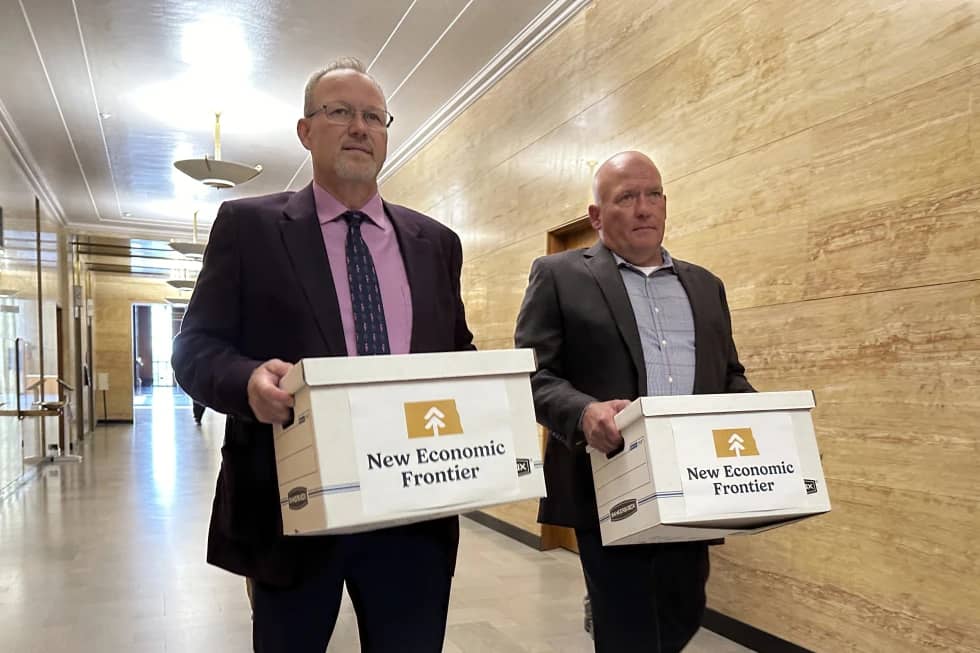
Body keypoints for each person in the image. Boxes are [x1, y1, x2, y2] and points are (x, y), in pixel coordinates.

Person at [172, 57, 474, 653]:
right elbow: (194, 347)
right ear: (306, 131)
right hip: (293, 510)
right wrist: (248, 380)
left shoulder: (436, 243)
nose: (359, 127)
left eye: (373, 116)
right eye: (339, 113)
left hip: (413, 513)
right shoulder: (249, 227)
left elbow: (456, 351)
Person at [514, 151, 754, 653]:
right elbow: (534, 376)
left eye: (654, 194)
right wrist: (583, 412)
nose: (645, 208)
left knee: (682, 610)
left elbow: (730, 376)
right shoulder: (559, 275)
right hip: (610, 480)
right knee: (628, 625)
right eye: (627, 197)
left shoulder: (706, 286)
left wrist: (775, 433)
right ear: (597, 216)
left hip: (694, 482)